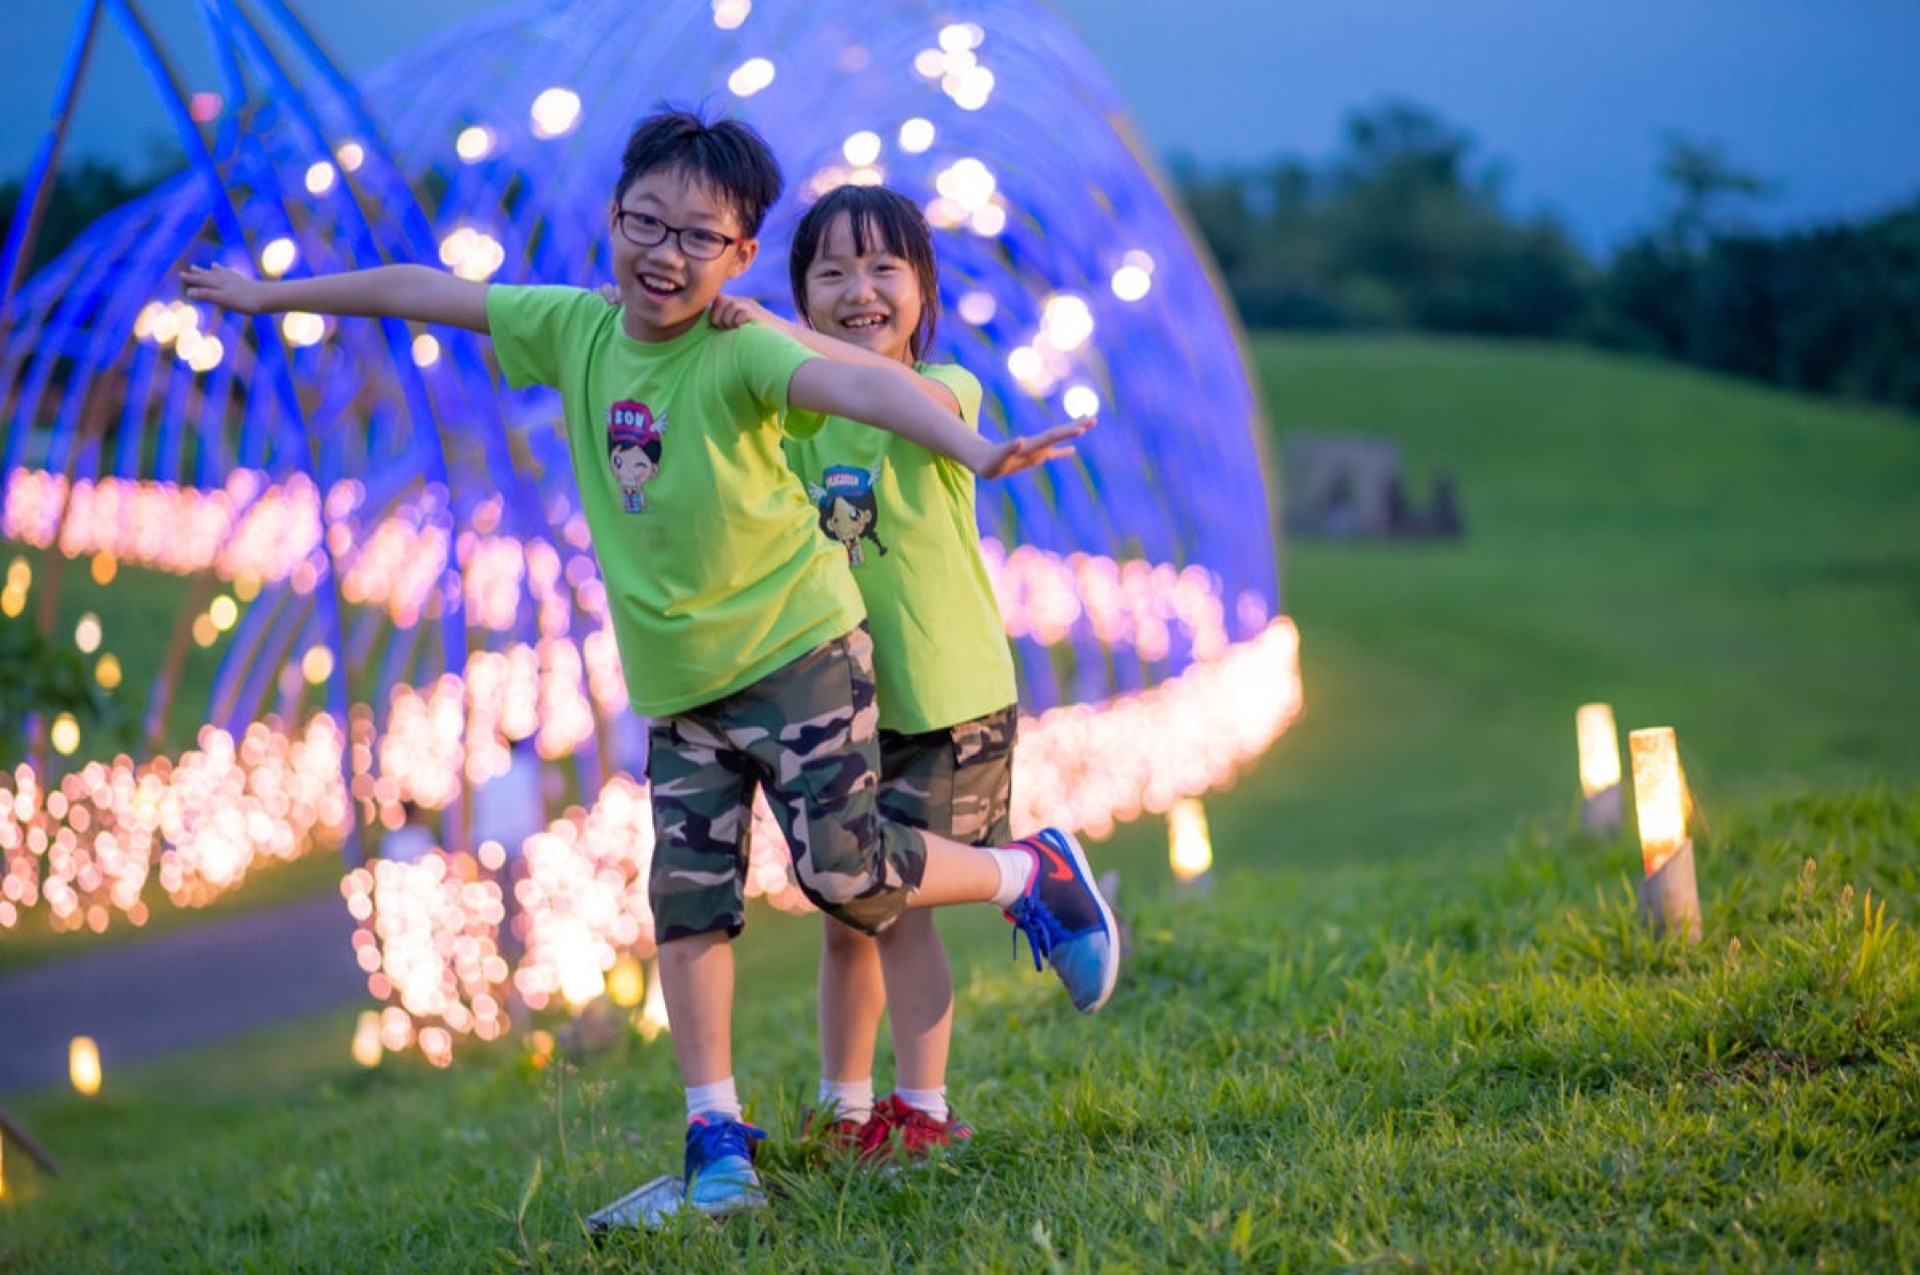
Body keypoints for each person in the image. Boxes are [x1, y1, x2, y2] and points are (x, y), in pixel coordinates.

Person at [181, 109, 1119, 1225]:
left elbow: (875, 389)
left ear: (739, 253)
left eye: (699, 237)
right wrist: (272, 296)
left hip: (800, 658)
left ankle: (1024, 877)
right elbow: (425, 290)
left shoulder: (745, 346)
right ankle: (717, 1135)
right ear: (614, 216)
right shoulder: (576, 330)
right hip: (679, 688)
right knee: (686, 904)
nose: (667, 254)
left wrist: (976, 447)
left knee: (850, 877)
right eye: (647, 223)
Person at [707, 184, 1013, 1164]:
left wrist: (775, 329)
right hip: (842, 704)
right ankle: (844, 1108)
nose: (859, 291)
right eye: (831, 272)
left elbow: (909, 399)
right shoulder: (798, 415)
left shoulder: (948, 390)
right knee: (847, 910)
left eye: (884, 268)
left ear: (924, 288)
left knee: (901, 912)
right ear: (801, 290)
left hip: (946, 700)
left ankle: (922, 1107)